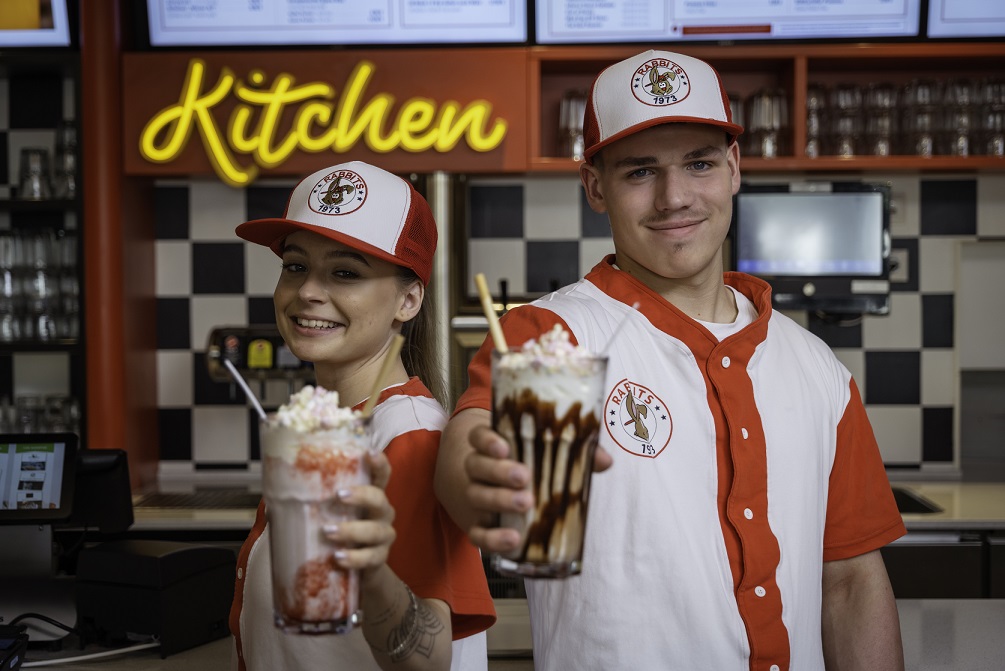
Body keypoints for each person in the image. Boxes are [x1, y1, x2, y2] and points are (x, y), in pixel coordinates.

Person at [434, 50, 907, 670]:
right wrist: (479, 476)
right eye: (639, 172)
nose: (674, 197)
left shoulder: (817, 366)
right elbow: (469, 452)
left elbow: (850, 584)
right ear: (595, 186)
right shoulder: (551, 336)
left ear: (734, 168)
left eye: (700, 164)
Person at [229, 160, 496, 671]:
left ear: (409, 299)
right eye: (295, 265)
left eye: (345, 272)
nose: (307, 290)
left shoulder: (410, 435)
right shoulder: (328, 428)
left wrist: (370, 575)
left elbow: (428, 657)